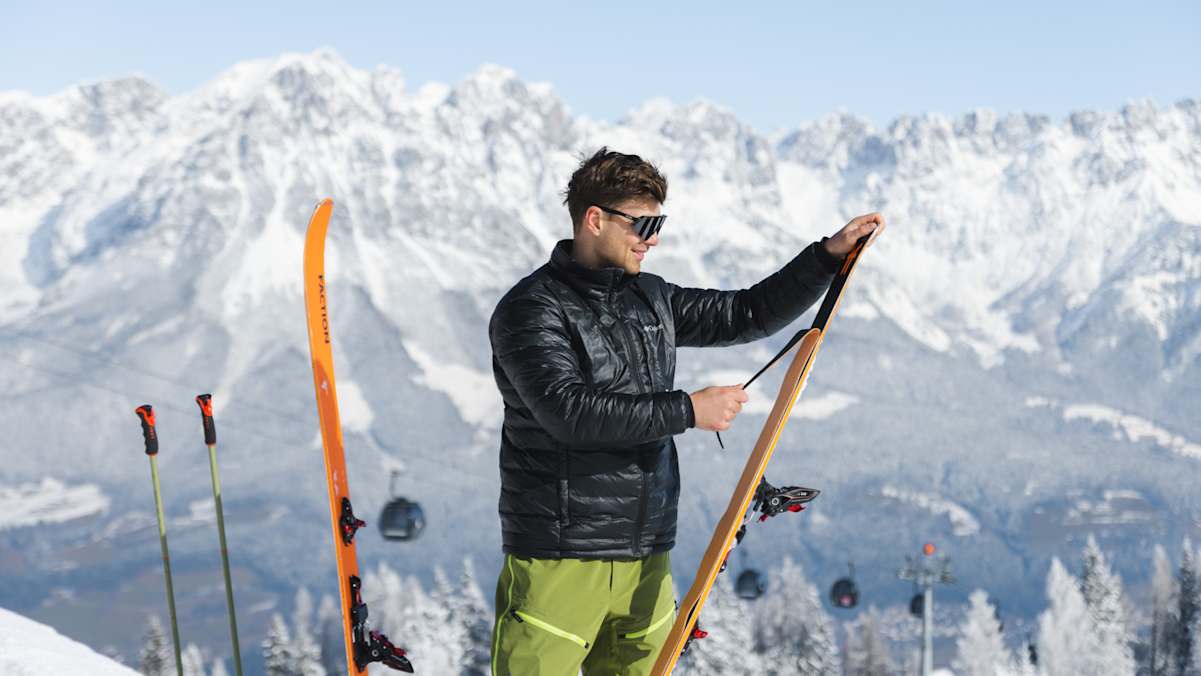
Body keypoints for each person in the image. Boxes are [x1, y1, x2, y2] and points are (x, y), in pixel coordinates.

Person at [488, 147, 885, 675]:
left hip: (648, 552)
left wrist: (827, 256)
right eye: (644, 223)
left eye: (660, 223)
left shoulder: (651, 297)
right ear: (595, 219)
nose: (653, 238)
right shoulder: (531, 309)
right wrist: (688, 410)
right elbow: (569, 412)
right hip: (561, 555)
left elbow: (745, 312)